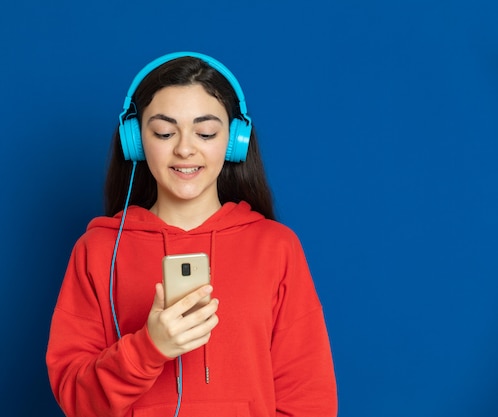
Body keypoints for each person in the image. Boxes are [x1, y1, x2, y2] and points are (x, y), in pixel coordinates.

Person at [46, 52, 338, 417]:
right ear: (135, 141)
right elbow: (76, 398)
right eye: (165, 132)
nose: (185, 148)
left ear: (235, 141)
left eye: (206, 132)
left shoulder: (276, 247)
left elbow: (309, 398)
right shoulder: (98, 250)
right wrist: (150, 347)